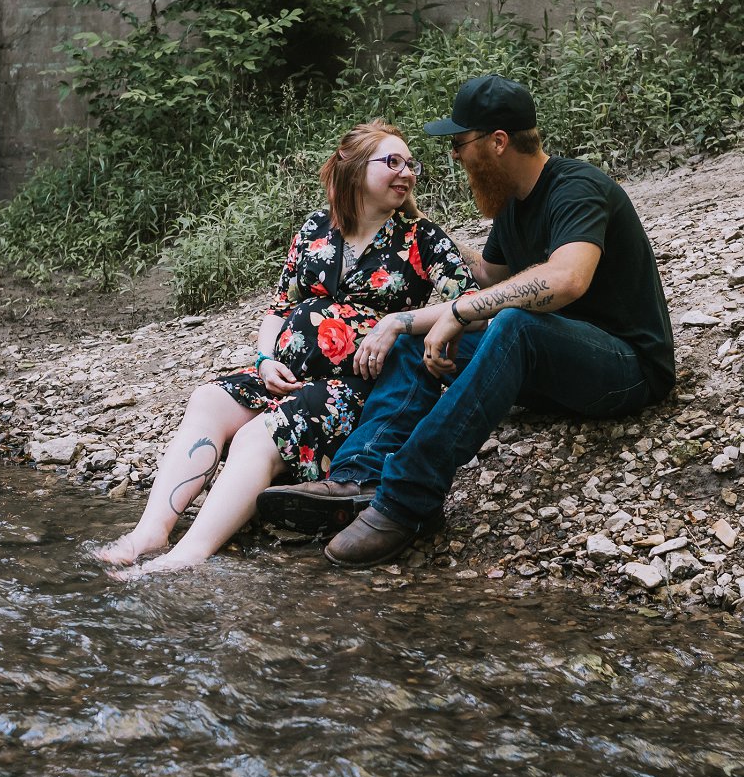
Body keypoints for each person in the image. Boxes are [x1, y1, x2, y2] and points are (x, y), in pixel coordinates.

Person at [257, 74, 676, 567]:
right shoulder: (514, 210)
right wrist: (414, 230)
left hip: (626, 368)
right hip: (553, 367)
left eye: (459, 143)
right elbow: (487, 275)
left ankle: (407, 501)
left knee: (510, 323)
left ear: (497, 142)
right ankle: (358, 476)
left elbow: (566, 279)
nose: (453, 156)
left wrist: (459, 311)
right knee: (414, 339)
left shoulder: (577, 187)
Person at [93, 120, 476, 575]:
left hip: (352, 386)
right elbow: (278, 307)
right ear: (353, 168)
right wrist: (265, 357)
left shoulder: (421, 237)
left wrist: (399, 322)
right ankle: (150, 531)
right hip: (285, 374)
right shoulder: (316, 228)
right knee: (208, 399)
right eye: (391, 161)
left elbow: (470, 305)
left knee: (258, 435)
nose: (406, 172)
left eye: (410, 163)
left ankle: (187, 554)